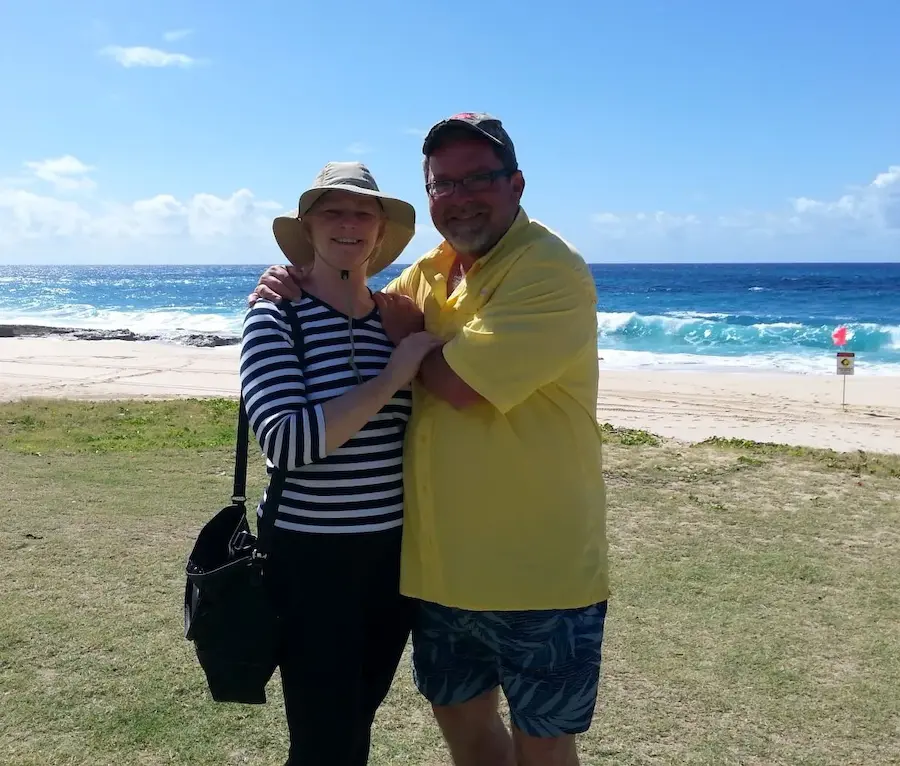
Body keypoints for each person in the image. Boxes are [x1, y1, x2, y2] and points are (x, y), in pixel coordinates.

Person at [250, 114, 609, 766]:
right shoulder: (433, 269)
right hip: (436, 574)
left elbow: (459, 383)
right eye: (443, 184)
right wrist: (289, 280)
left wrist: (406, 347)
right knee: (463, 734)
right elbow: (360, 299)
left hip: (540, 573)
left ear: (517, 184)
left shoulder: (549, 270)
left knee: (545, 749)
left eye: (479, 177)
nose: (460, 194)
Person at [239, 160, 443, 766]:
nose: (349, 223)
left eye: (363, 213)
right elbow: (288, 442)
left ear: (380, 233)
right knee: (322, 730)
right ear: (308, 227)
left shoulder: (398, 319)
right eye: (333, 211)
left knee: (357, 716)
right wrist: (392, 378)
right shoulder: (275, 314)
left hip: (393, 555)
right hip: (309, 555)